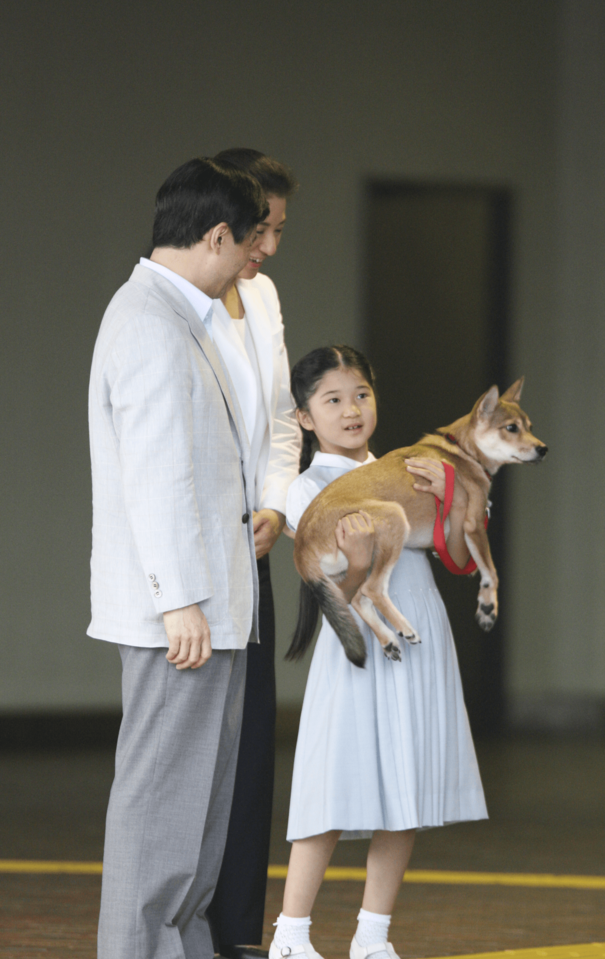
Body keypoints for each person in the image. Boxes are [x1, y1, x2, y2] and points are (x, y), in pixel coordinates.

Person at [88, 157, 268, 959]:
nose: (254, 261)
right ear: (217, 235)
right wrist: (178, 598)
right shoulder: (149, 322)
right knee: (161, 803)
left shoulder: (180, 318)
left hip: (208, 606)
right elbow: (156, 474)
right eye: (251, 243)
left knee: (198, 814)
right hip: (182, 614)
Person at [270, 346, 488, 959]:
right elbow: (332, 593)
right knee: (332, 786)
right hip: (358, 643)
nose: (351, 410)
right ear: (305, 417)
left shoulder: (404, 470)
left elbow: (460, 556)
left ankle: (372, 936)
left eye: (361, 395)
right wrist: (360, 561)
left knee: (405, 788)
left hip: (418, 630)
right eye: (333, 400)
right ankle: (290, 936)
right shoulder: (306, 490)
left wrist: (454, 499)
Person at [206, 148, 301, 959]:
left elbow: (281, 419)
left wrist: (276, 503)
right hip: (201, 547)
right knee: (197, 745)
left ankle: (237, 930)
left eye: (277, 231)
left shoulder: (263, 296)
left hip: (256, 541)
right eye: (260, 227)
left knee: (252, 741)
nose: (268, 246)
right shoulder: (180, 299)